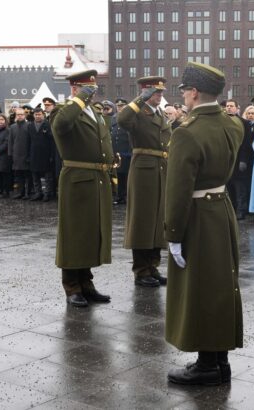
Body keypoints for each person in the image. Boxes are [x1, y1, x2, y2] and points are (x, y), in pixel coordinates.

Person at [165, 62, 244, 386]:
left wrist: (173, 233)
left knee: (199, 290)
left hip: (197, 215)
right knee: (220, 287)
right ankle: (219, 360)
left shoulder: (188, 133)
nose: (183, 95)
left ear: (195, 92)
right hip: (221, 210)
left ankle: (207, 364)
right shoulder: (233, 125)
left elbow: (178, 191)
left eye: (184, 90)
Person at [49, 69, 114, 307]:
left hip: (97, 179)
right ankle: (72, 287)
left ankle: (86, 283)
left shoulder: (94, 112)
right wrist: (78, 99)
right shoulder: (63, 111)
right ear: (75, 89)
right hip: (76, 179)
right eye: (87, 90)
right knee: (74, 235)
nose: (92, 95)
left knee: (90, 234)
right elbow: (62, 125)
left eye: (93, 90)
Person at [117, 76, 171, 288]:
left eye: (160, 93)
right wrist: (139, 100)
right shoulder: (137, 112)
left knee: (158, 219)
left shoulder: (160, 113)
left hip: (161, 168)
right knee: (142, 220)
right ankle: (141, 271)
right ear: (145, 93)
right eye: (155, 93)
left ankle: (153, 267)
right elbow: (122, 120)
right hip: (144, 169)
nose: (159, 96)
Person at [226, 99, 254, 220]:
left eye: (231, 106)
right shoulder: (221, 122)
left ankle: (241, 210)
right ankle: (230, 210)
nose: (228, 108)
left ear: (237, 108)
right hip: (226, 160)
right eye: (227, 106)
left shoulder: (244, 123)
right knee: (228, 188)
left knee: (240, 188)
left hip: (239, 159)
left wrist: (243, 160)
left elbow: (246, 143)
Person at [28, 107, 55, 201]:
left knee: (48, 176)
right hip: (34, 154)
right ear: (33, 115)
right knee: (35, 175)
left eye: (39, 114)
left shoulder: (48, 125)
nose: (37, 116)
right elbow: (28, 141)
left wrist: (52, 155)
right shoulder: (30, 125)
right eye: (36, 114)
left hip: (46, 154)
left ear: (43, 115)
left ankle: (47, 193)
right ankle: (38, 193)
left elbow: (52, 141)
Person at [8, 108, 32, 199]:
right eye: (18, 114)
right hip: (16, 156)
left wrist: (30, 155)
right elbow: (10, 142)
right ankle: (20, 193)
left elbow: (31, 142)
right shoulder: (12, 127)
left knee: (28, 176)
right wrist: (10, 154)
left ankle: (28, 193)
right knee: (19, 176)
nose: (20, 116)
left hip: (26, 155)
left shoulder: (29, 125)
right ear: (16, 115)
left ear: (24, 115)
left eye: (21, 114)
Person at [111, 98, 130, 205]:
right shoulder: (114, 118)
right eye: (118, 106)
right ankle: (119, 196)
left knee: (126, 175)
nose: (120, 107)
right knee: (117, 175)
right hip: (116, 152)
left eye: (122, 105)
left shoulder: (129, 118)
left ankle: (125, 196)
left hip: (126, 152)